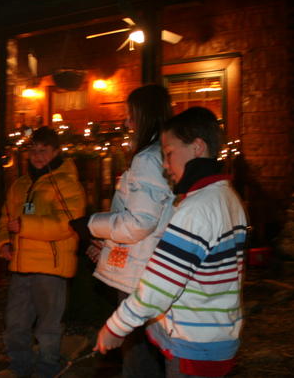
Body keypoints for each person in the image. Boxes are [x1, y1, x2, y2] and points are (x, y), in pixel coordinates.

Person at [95, 107, 249, 378]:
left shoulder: (196, 208)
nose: (165, 166)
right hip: (215, 334)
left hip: (192, 346)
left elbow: (160, 285)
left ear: (197, 147)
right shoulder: (227, 197)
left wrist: (116, 326)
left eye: (169, 154)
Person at [69, 83, 174, 377]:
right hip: (149, 266)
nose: (126, 122)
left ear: (145, 116)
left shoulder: (147, 159)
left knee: (138, 356)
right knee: (150, 353)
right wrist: (105, 245)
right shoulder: (161, 155)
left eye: (131, 115)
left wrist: (90, 224)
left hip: (139, 277)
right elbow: (150, 220)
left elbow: (139, 224)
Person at [0, 126, 86, 378]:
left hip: (51, 267)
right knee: (15, 324)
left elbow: (68, 223)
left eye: (43, 150)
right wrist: (3, 242)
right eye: (33, 150)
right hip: (20, 266)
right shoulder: (19, 185)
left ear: (56, 151)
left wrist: (25, 226)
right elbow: (6, 219)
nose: (37, 156)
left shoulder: (67, 184)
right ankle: (19, 368)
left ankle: (47, 370)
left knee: (47, 327)